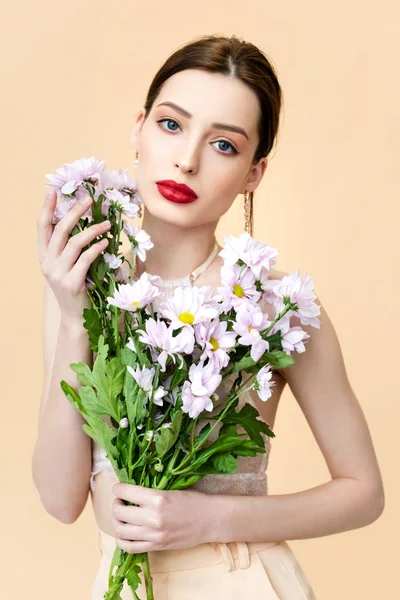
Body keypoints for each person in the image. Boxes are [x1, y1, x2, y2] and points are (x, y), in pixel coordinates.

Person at [33, 34, 385, 599]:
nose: (187, 159)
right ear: (139, 127)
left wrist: (208, 519)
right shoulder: (84, 289)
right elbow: (60, 499)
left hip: (242, 580)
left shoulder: (276, 306)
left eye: (224, 145)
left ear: (254, 173)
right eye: (172, 125)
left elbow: (364, 492)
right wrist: (76, 321)